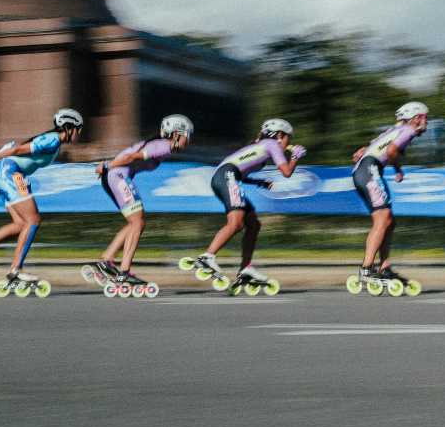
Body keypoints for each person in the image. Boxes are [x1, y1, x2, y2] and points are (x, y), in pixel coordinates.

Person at [0, 108, 83, 296]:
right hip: (10, 173)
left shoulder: (53, 140)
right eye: (78, 129)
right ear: (69, 127)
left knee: (21, 224)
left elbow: (15, 147)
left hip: (6, 172)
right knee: (33, 220)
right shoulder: (53, 139)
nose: (79, 134)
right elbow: (16, 149)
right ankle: (16, 270)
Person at [180, 119, 304, 294]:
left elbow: (241, 171)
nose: (288, 144)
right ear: (279, 135)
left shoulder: (261, 146)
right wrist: (296, 157)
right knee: (236, 223)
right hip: (227, 176)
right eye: (288, 139)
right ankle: (207, 257)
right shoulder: (272, 144)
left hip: (226, 176)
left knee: (253, 224)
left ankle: (246, 267)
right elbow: (286, 172)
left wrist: (257, 182)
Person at [85, 114, 192, 296]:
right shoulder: (164, 146)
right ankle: (124, 272)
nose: (189, 140)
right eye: (187, 136)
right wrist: (107, 166)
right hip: (117, 175)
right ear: (175, 134)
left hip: (114, 176)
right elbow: (131, 157)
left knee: (134, 222)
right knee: (138, 222)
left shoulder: (161, 145)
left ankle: (106, 261)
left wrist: (108, 168)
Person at [347, 101, 427, 294]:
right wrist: (398, 169)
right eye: (425, 117)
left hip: (367, 170)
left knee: (388, 221)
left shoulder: (397, 128)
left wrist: (364, 149)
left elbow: (376, 144)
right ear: (416, 118)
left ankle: (384, 267)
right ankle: (367, 268)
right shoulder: (408, 130)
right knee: (383, 219)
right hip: (370, 169)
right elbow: (390, 151)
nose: (427, 121)